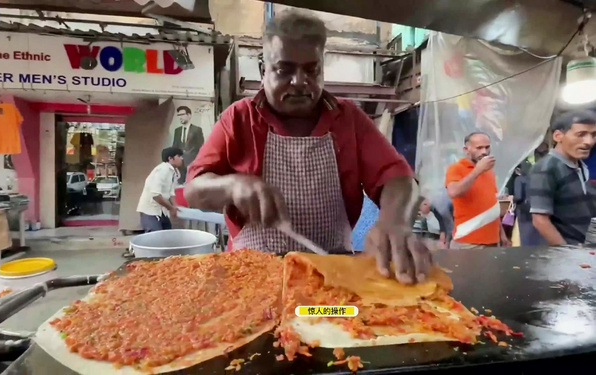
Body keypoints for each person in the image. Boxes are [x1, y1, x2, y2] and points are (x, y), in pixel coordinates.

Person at [184, 11, 431, 285]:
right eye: (284, 70)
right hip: (253, 278)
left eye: (311, 70)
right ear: (264, 70)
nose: (300, 81)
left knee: (331, 321)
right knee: (264, 328)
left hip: (330, 276)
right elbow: (193, 191)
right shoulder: (238, 119)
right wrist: (231, 186)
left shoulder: (348, 118)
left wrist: (394, 220)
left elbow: (398, 178)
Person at [529, 110, 596, 245]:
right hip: (568, 256)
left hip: (585, 250)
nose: (589, 142)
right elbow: (540, 220)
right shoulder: (546, 168)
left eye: (593, 135)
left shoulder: (580, 166)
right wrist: (567, 254)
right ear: (558, 136)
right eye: (581, 135)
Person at [445, 132, 511, 249]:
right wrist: (477, 170)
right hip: (468, 242)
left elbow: (492, 205)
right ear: (466, 150)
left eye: (487, 147)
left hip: (493, 241)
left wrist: (502, 234)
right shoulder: (456, 168)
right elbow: (453, 192)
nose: (484, 152)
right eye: (479, 148)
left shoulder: (488, 172)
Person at [136, 147, 183, 233]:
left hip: (161, 211)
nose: (181, 158)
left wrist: (175, 206)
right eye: (179, 156)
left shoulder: (173, 172)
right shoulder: (163, 170)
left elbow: (171, 192)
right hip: (150, 211)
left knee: (167, 235)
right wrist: (171, 208)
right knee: (155, 239)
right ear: (170, 158)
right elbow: (156, 195)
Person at [172, 106, 204, 184]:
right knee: (179, 186)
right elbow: (174, 147)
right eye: (179, 115)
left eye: (182, 114)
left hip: (192, 164)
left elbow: (201, 147)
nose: (180, 117)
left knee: (191, 185)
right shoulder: (177, 131)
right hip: (180, 165)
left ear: (189, 115)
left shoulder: (197, 130)